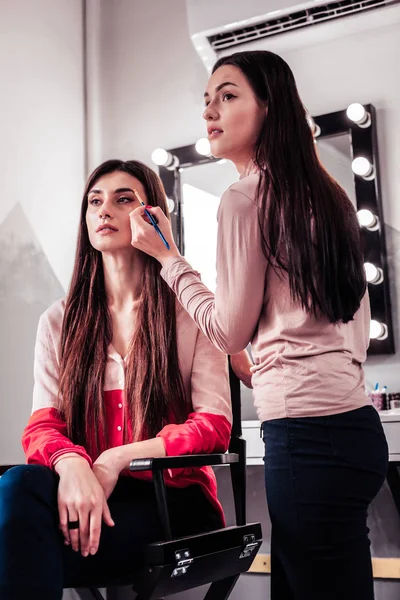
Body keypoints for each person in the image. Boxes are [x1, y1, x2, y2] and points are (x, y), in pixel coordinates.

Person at [130, 51, 388, 600]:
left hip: (307, 439)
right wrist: (262, 365)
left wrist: (167, 258)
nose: (209, 112)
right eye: (206, 101)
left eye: (227, 96)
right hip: (355, 430)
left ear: (269, 108)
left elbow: (229, 332)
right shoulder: (330, 196)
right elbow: (319, 330)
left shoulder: (244, 197)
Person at [0, 159, 233, 600]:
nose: (104, 209)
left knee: (18, 543)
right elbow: (42, 426)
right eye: (94, 201)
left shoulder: (191, 313)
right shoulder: (59, 321)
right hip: (89, 499)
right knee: (17, 487)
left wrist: (115, 459)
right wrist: (73, 465)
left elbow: (213, 427)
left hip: (174, 504)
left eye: (123, 199)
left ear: (153, 215)